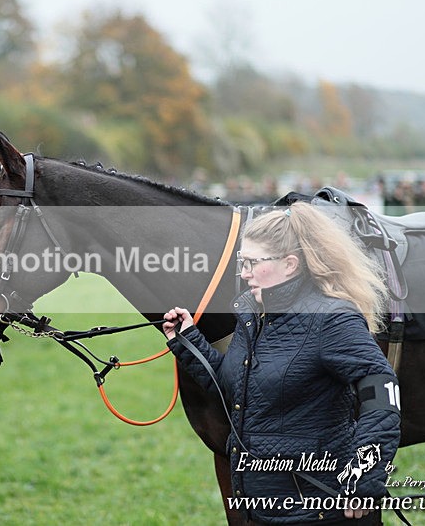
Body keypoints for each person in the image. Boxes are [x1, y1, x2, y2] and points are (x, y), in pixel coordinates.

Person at [163, 202, 400, 525]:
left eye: (252, 263)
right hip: (264, 508)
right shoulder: (253, 316)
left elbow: (382, 390)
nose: (244, 274)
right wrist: (188, 339)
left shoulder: (331, 320)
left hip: (323, 511)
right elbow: (238, 390)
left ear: (290, 265)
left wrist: (366, 475)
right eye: (241, 263)